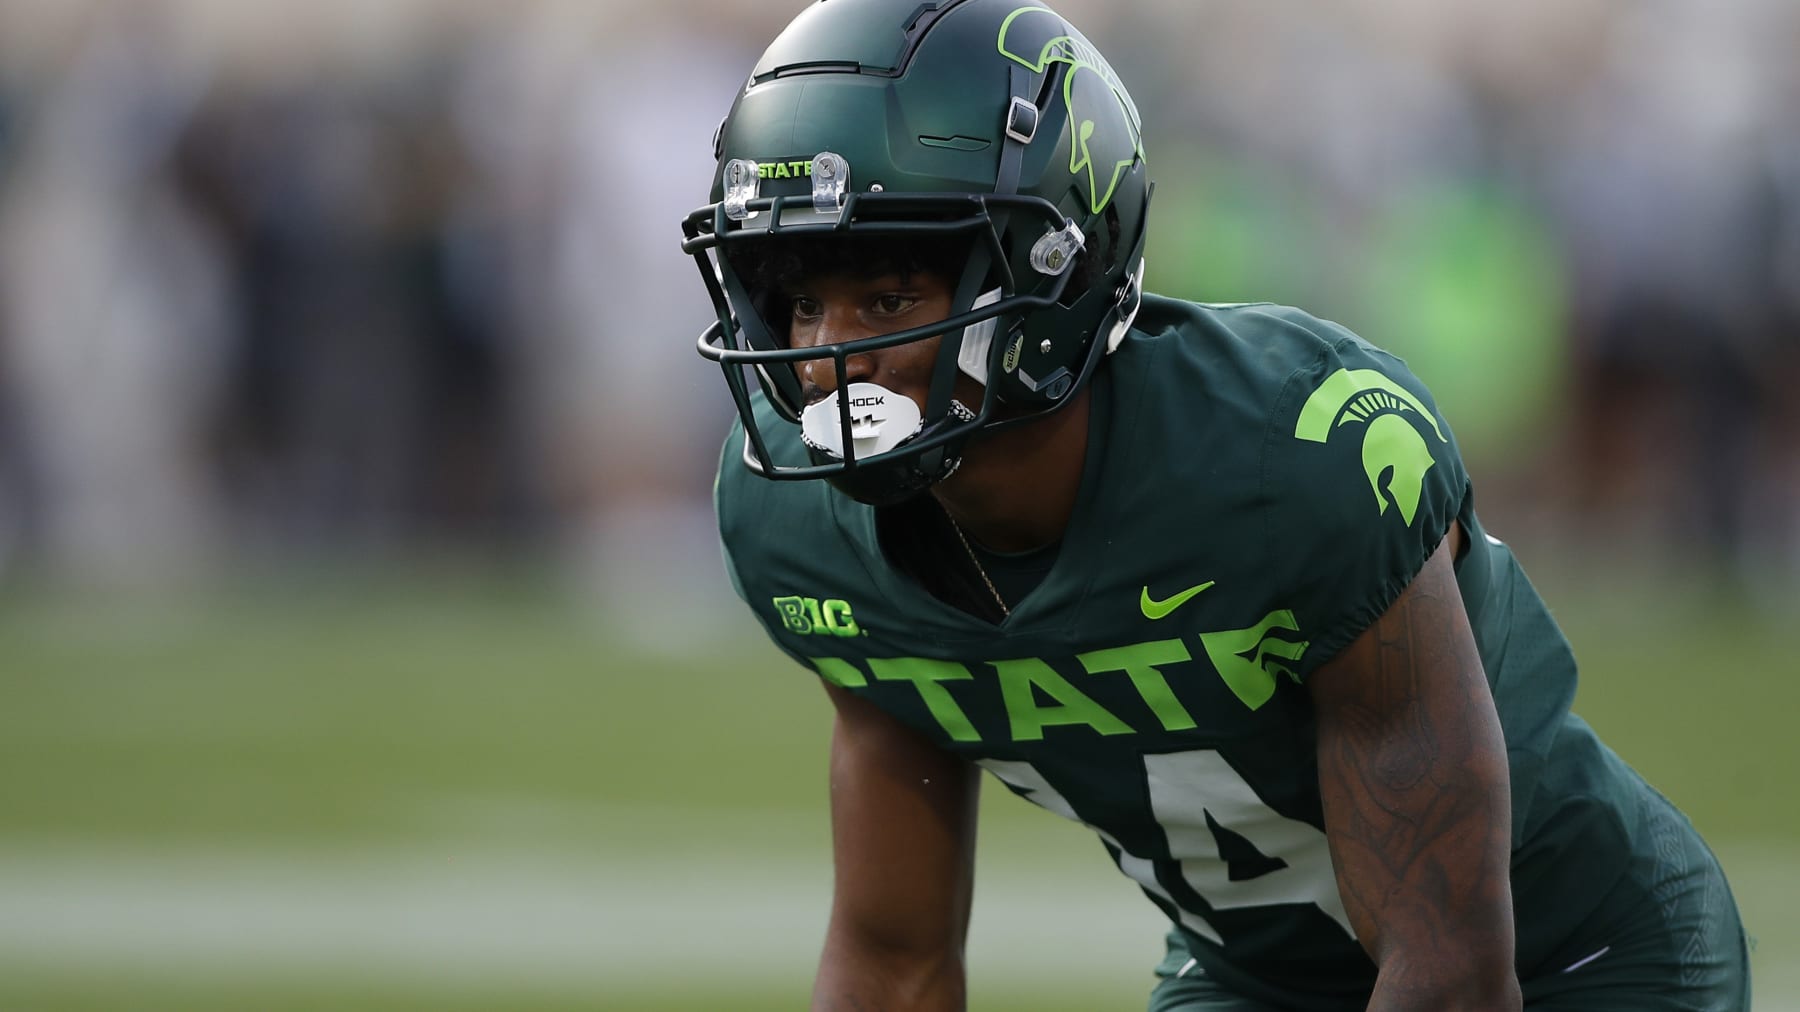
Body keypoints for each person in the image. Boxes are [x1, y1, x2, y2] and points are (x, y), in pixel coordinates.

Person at [680, 1, 1752, 1008]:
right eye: (801, 301)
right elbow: (893, 960)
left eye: (886, 296)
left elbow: (1453, 969)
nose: (825, 360)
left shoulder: (1291, 462)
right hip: (1260, 974)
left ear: (1055, 262)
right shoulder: (800, 532)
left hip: (1579, 950)